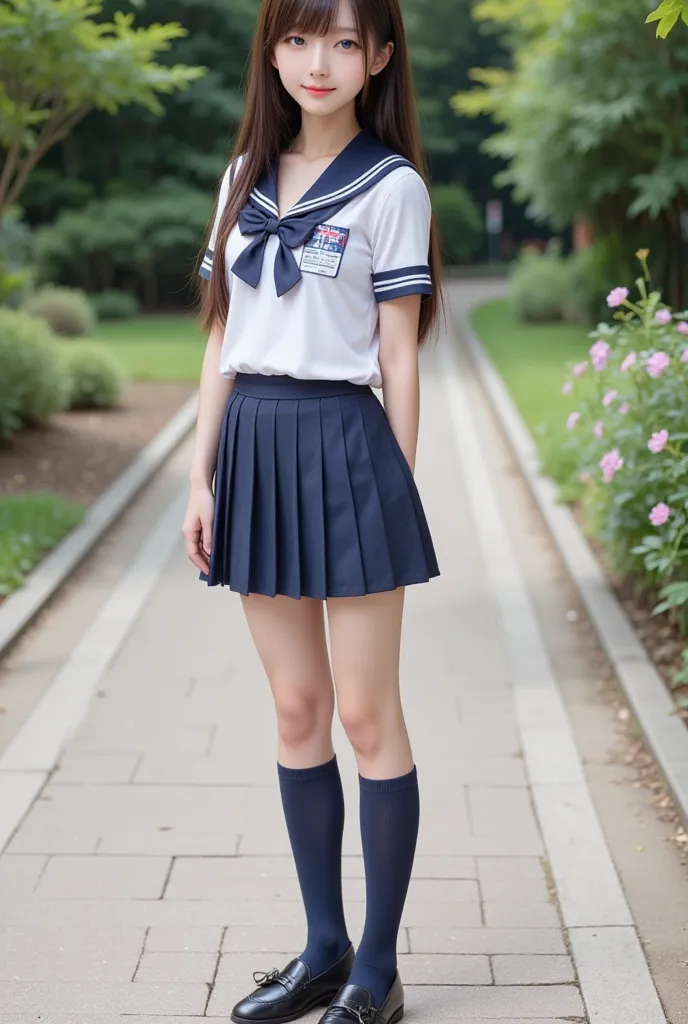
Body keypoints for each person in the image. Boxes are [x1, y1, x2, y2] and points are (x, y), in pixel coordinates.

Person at [183, 0, 442, 1021]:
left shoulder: (393, 186)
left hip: (346, 447)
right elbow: (218, 337)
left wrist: (396, 486)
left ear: (378, 56)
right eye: (297, 38)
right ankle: (322, 947)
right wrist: (201, 477)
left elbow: (398, 353)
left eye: (343, 40)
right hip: (253, 438)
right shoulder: (240, 175)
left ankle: (376, 969)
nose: (318, 61)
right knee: (297, 708)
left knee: (367, 713)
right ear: (272, 53)